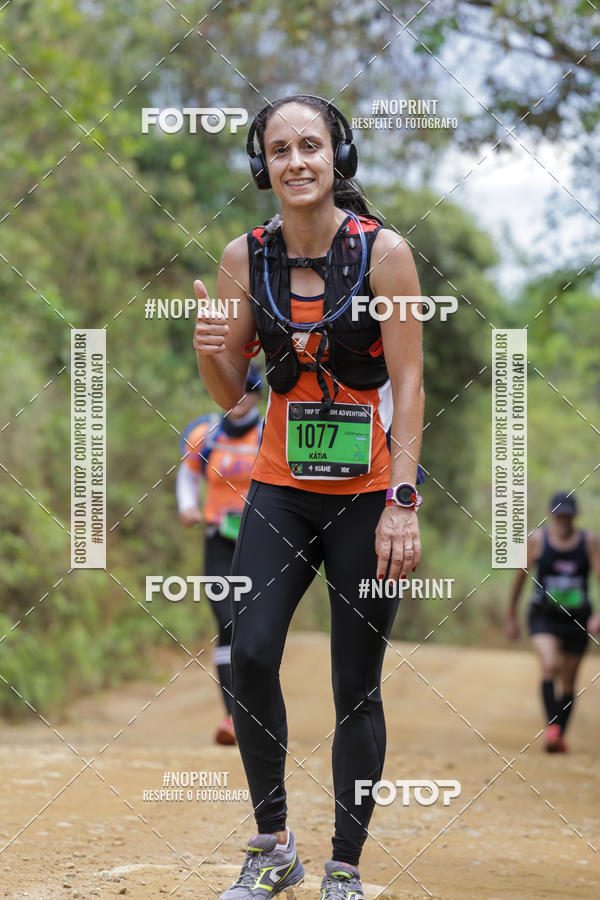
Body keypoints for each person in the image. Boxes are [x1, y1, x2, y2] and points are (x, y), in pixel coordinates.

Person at [193, 94, 425, 899]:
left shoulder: (385, 254)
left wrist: (402, 498)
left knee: (353, 682)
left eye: (311, 146)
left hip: (367, 496)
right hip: (280, 488)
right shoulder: (240, 257)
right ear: (263, 166)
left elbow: (409, 379)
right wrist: (211, 352)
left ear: (338, 157)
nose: (296, 161)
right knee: (250, 655)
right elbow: (229, 394)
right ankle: (273, 846)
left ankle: (345, 868)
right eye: (280, 148)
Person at [177, 366, 263, 745]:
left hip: (261, 542)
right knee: (226, 621)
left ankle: (258, 713)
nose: (239, 398)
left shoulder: (273, 432)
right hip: (218, 538)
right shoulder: (204, 432)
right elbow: (189, 473)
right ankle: (232, 717)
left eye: (247, 391)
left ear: (259, 395)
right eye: (233, 390)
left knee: (255, 628)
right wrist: (186, 505)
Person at [507, 491, 600, 753]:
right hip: (543, 615)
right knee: (549, 666)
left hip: (577, 617)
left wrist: (598, 615)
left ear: (575, 517)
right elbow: (520, 578)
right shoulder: (537, 540)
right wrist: (511, 614)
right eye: (559, 516)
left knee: (569, 682)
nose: (563, 521)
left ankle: (559, 735)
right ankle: (553, 729)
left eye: (568, 517)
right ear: (551, 515)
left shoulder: (588, 541)